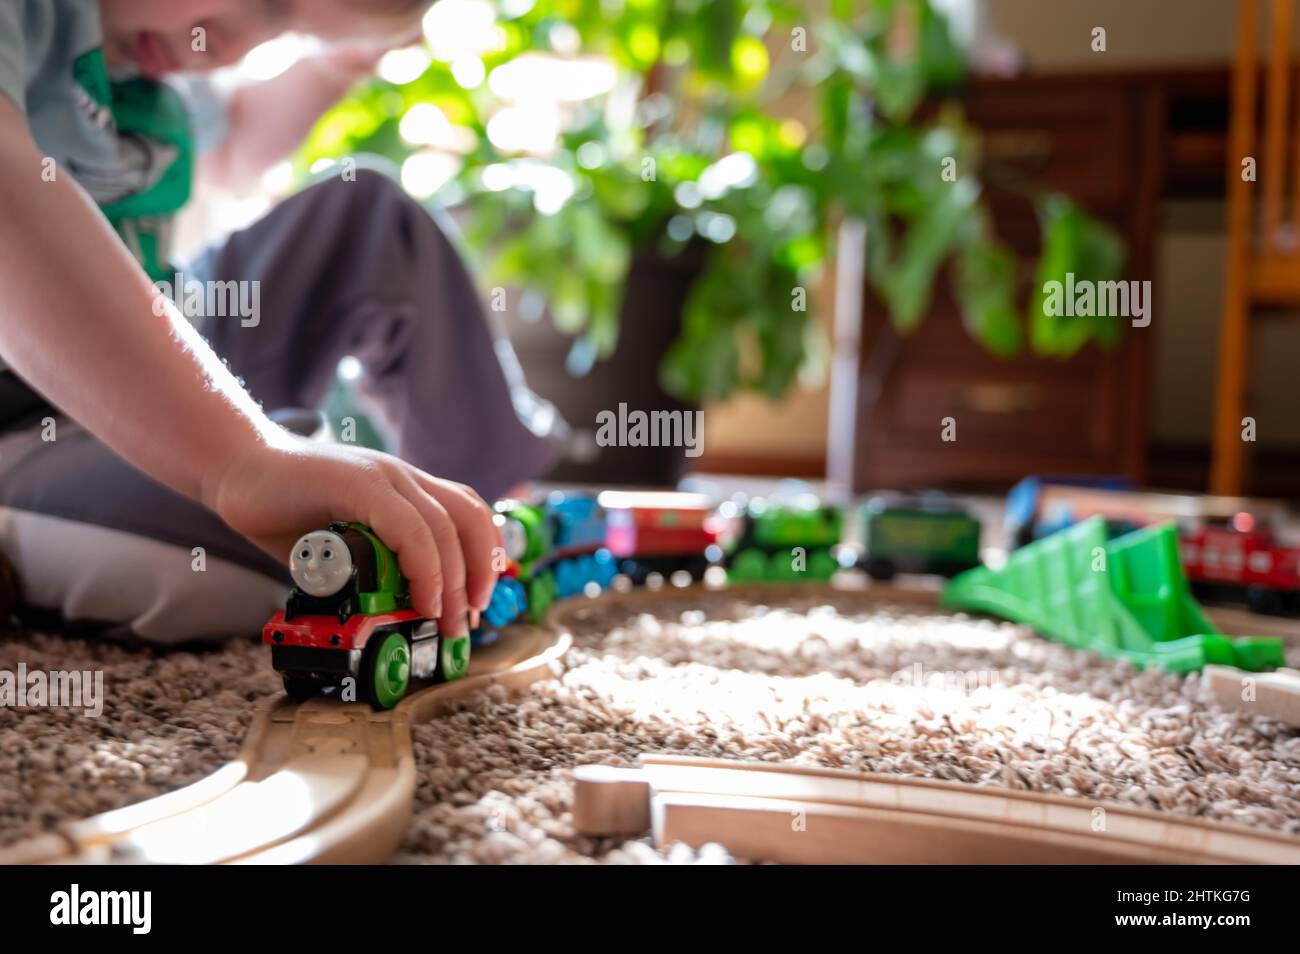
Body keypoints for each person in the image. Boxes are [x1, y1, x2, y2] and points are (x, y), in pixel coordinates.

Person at [0, 0, 564, 643]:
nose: (237, 46)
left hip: (179, 337)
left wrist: (342, 58)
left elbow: (235, 146)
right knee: (301, 559)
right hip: (22, 422)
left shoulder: (160, 41)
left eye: (290, 28)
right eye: (268, 1)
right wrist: (240, 461)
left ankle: (485, 531)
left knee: (369, 215)